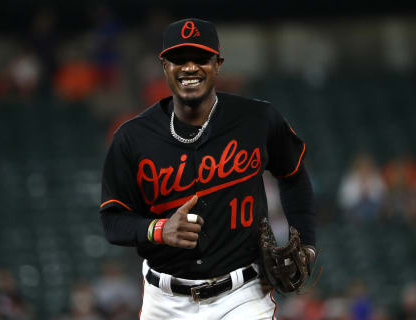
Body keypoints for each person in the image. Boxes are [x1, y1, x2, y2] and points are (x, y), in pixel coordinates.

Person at [99, 18, 316, 320]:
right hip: (165, 302)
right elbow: (113, 221)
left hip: (243, 296)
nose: (189, 67)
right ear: (164, 65)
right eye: (179, 59)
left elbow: (294, 177)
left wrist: (306, 244)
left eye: (201, 58)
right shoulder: (132, 137)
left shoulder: (257, 119)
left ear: (218, 64)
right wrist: (158, 229)